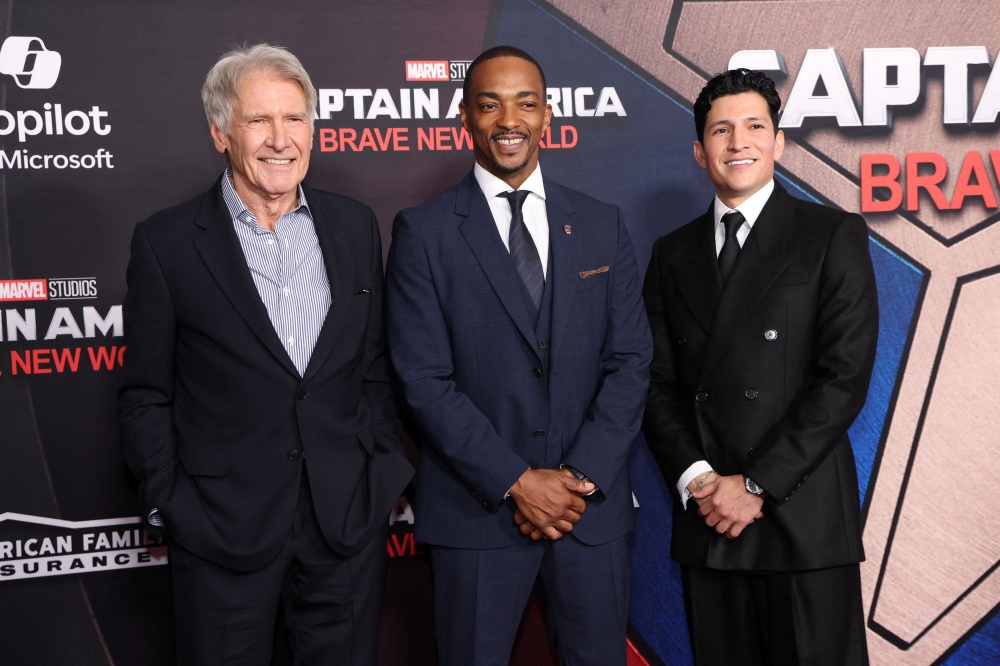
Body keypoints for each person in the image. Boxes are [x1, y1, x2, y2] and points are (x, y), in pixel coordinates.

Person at [118, 44, 413, 666]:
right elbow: (146, 392)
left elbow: (373, 367)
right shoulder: (167, 242)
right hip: (220, 530)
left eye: (295, 119)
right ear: (220, 133)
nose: (280, 140)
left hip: (344, 525)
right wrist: (169, 500)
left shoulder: (355, 225)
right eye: (259, 121)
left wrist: (382, 470)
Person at [384, 46, 652, 666]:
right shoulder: (424, 232)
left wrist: (577, 479)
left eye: (525, 102)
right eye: (490, 103)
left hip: (590, 517)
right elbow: (422, 382)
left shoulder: (602, 224)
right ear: (466, 119)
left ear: (548, 115)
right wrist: (517, 482)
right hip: (476, 516)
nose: (510, 118)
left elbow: (632, 361)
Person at [642, 68, 878, 665]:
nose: (738, 142)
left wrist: (755, 485)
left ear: (779, 143)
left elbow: (843, 377)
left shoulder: (831, 234)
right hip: (711, 519)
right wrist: (700, 481)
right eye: (721, 130)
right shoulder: (673, 253)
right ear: (700, 151)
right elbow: (652, 380)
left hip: (801, 516)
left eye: (754, 126)